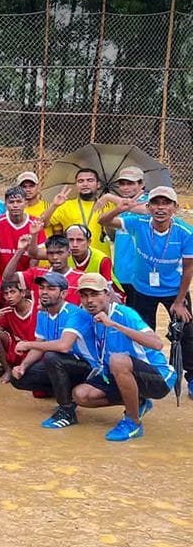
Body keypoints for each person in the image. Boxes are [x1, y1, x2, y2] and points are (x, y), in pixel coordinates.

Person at [99, 185, 193, 397]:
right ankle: (148, 376)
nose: (161, 208)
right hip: (142, 289)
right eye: (156, 203)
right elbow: (103, 222)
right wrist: (119, 208)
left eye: (166, 203)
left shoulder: (186, 232)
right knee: (142, 333)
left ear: (175, 208)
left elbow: (188, 269)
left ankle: (191, 376)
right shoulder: (138, 223)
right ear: (148, 207)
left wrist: (179, 301)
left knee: (186, 332)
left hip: (174, 291)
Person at [73, 273, 175, 441]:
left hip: (158, 377)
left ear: (107, 294)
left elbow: (157, 344)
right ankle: (139, 403)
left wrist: (114, 325)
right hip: (121, 374)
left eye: (95, 294)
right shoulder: (90, 317)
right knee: (81, 394)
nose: (89, 300)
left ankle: (133, 423)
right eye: (84, 295)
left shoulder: (125, 314)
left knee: (118, 360)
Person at [8, 272, 98, 429]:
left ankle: (66, 411)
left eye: (51, 288)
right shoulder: (43, 314)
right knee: (18, 378)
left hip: (90, 368)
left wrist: (28, 344)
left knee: (52, 357)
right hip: (65, 364)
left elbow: (64, 346)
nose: (44, 292)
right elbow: (40, 343)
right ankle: (69, 396)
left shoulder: (75, 314)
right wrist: (23, 365)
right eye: (41, 287)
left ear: (63, 293)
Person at [3, 231, 83, 306]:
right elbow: (7, 277)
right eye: (51, 253)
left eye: (59, 253)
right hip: (39, 321)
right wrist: (20, 251)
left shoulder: (81, 278)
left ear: (69, 253)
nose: (55, 257)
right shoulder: (37, 273)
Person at [47, 168, 115, 256]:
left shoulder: (109, 205)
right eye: (80, 181)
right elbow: (42, 223)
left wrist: (110, 197)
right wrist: (54, 205)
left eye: (90, 180)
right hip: (72, 259)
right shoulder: (65, 206)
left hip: (101, 258)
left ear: (98, 184)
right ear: (76, 185)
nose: (85, 184)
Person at [108, 166, 147, 307]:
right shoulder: (120, 207)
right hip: (121, 270)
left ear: (141, 184)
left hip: (140, 273)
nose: (125, 187)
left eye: (130, 183)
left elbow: (146, 210)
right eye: (122, 183)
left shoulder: (149, 201)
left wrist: (111, 198)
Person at [0, 277, 36, 383]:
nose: (9, 296)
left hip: (35, 349)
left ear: (23, 293)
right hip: (17, 349)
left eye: (13, 292)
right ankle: (8, 370)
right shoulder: (8, 310)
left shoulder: (37, 308)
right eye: (6, 294)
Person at [0, 186, 42, 275]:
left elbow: (36, 256)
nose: (15, 205)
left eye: (19, 201)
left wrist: (28, 278)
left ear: (26, 203)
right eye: (11, 202)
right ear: (5, 204)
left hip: (25, 275)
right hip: (0, 275)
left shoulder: (35, 224)